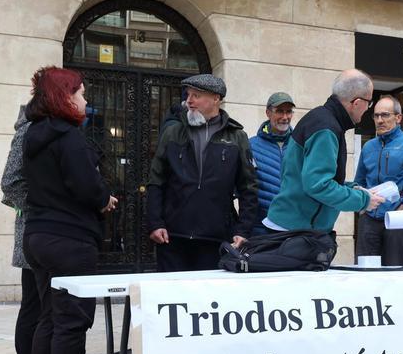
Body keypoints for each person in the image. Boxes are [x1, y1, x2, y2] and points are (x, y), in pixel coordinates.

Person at [22, 66, 118, 354]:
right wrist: (104, 199)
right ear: (64, 96)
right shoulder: (70, 137)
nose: (85, 99)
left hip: (38, 235)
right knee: (71, 323)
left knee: (48, 318)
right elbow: (86, 187)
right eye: (80, 93)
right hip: (69, 239)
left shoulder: (33, 136)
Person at [1, 106, 103, 354]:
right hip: (45, 231)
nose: (84, 103)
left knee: (57, 313)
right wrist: (45, 206)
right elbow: (11, 183)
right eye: (78, 94)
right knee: (39, 308)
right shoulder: (29, 131)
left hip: (52, 230)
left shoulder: (62, 130)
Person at [147, 74, 258, 271]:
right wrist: (155, 222)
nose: (189, 100)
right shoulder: (173, 133)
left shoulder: (237, 138)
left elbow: (248, 188)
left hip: (216, 240)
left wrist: (243, 230)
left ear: (216, 98)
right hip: (173, 238)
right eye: (188, 95)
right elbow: (156, 181)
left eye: (196, 95)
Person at [264, 69, 384, 232]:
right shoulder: (326, 128)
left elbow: (307, 178)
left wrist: (352, 189)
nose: (367, 109)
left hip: (292, 225)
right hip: (297, 231)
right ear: (356, 103)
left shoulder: (320, 119)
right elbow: (318, 185)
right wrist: (363, 200)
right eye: (369, 103)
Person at [354, 95, 403, 266]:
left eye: (385, 115)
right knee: (365, 275)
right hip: (369, 220)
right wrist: (361, 208)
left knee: (394, 273)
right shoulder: (369, 146)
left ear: (398, 118)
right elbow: (359, 182)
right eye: (376, 116)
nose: (380, 120)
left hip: (397, 219)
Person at [249, 92, 295, 236]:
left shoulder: (301, 145)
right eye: (279, 111)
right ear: (268, 113)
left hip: (293, 228)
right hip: (260, 229)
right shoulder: (251, 145)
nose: (285, 117)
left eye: (288, 112)